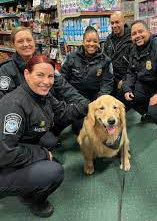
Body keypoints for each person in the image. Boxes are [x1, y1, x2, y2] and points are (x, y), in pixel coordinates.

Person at [0, 55, 88, 218]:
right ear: (27, 74)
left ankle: (25, 185)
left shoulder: (42, 96)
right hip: (4, 160)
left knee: (50, 157)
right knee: (53, 172)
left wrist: (90, 107)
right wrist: (42, 153)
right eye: (40, 75)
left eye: (50, 76)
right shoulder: (14, 105)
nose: (46, 81)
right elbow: (6, 153)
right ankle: (32, 200)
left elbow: (63, 112)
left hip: (15, 150)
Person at [0, 26, 89, 105]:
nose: (26, 44)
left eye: (29, 40)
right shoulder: (6, 69)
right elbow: (5, 101)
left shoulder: (45, 63)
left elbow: (63, 87)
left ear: (34, 41)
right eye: (20, 41)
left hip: (50, 113)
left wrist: (86, 104)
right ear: (13, 45)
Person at [60, 26, 114, 101]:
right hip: (73, 98)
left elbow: (107, 84)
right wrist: (72, 97)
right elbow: (62, 79)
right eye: (88, 41)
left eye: (95, 41)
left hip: (95, 101)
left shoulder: (105, 61)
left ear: (99, 43)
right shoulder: (71, 57)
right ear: (83, 41)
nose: (91, 44)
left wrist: (99, 102)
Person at [103, 11, 133, 99]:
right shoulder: (109, 39)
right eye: (112, 23)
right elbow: (104, 59)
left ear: (123, 21)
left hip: (126, 78)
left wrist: (124, 80)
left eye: (117, 22)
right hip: (111, 78)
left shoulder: (131, 39)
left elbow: (135, 65)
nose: (114, 25)